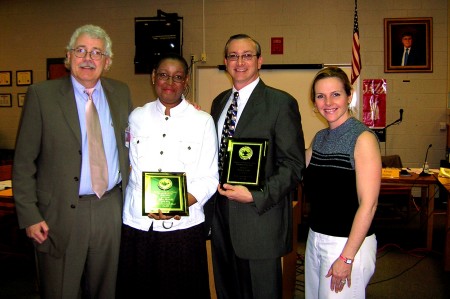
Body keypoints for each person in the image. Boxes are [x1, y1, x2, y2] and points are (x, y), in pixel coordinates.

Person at [12, 24, 133, 298]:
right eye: (81, 50)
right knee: (60, 290)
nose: (88, 58)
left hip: (110, 209)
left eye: (96, 52)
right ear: (68, 56)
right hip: (60, 215)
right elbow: (23, 164)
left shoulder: (121, 93)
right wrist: (30, 215)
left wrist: (182, 108)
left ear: (107, 61)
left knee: (107, 290)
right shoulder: (41, 96)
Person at [208, 33, 305, 299]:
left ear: (260, 61)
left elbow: (294, 165)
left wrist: (255, 194)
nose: (240, 62)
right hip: (221, 218)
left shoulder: (280, 103)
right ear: (226, 61)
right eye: (233, 56)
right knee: (227, 290)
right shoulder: (218, 103)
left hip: (260, 219)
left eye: (247, 55)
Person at [117, 53, 218, 298]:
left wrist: (179, 203)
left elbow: (210, 178)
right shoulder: (136, 117)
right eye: (163, 75)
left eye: (177, 77)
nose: (169, 82)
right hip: (139, 227)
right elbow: (125, 163)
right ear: (153, 77)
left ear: (187, 81)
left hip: (183, 229)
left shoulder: (202, 121)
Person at [303, 67, 381, 299]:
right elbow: (293, 163)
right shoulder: (320, 138)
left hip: (347, 244)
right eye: (320, 96)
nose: (328, 102)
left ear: (349, 96)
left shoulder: (362, 138)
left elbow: (369, 205)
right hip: (315, 238)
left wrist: (346, 257)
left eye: (335, 94)